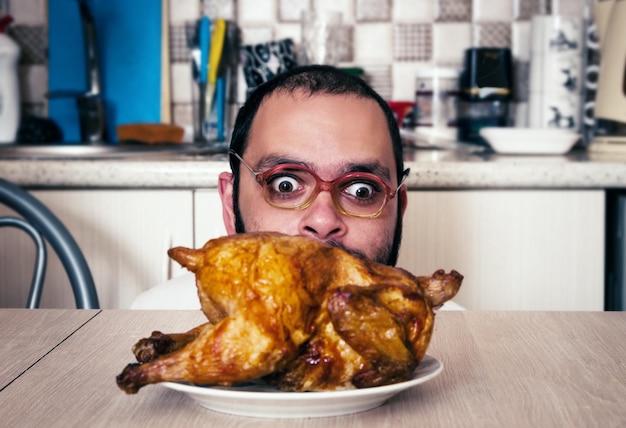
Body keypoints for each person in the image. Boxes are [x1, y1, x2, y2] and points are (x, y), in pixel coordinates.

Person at [131, 64, 462, 310]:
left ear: (398, 208)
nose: (322, 221)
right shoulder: (149, 317)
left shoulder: (459, 331)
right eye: (285, 184)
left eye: (361, 190)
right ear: (231, 205)